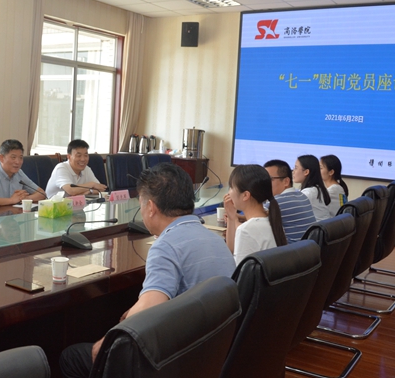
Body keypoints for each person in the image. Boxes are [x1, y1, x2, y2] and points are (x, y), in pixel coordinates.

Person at [59, 163, 235, 378]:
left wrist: (106, 343)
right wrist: (136, 309)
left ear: (150, 207)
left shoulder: (166, 245)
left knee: (72, 356)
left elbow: (152, 306)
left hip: (174, 361)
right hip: (212, 355)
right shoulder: (215, 239)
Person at [223, 165, 286, 264]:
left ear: (245, 195)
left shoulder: (246, 230)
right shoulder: (271, 218)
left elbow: (239, 270)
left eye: (231, 187)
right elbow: (231, 250)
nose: (228, 193)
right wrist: (231, 218)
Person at [0, 139, 45, 207]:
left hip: (10, 213)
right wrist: (11, 200)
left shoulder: (19, 173)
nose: (18, 162)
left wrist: (25, 199)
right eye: (13, 157)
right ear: (1, 158)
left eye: (20, 158)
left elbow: (42, 193)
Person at [263, 159, 317, 243]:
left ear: (286, 181)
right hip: (307, 248)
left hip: (292, 250)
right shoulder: (302, 196)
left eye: (269, 179)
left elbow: (252, 222)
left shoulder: (277, 202)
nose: (265, 184)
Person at [293, 155, 332, 221]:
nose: (293, 171)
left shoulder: (309, 193)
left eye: (296, 168)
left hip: (316, 227)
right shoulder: (316, 188)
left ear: (306, 172)